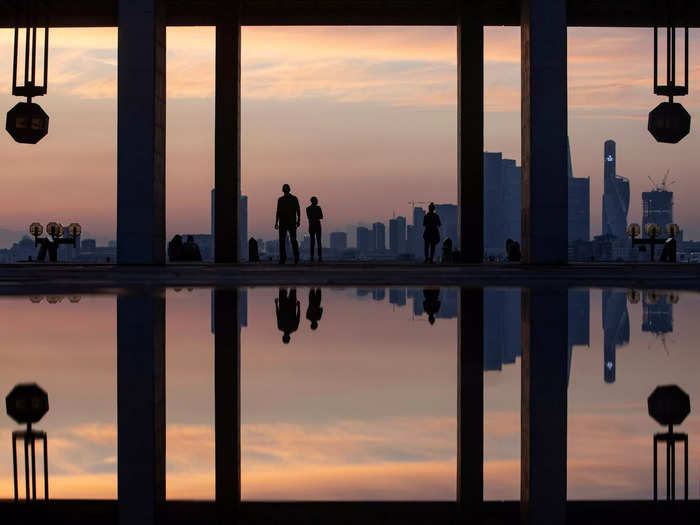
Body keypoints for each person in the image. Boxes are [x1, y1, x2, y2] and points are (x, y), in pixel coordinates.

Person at [275, 184, 301, 264]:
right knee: (292, 240)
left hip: (285, 222)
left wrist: (276, 222)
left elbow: (278, 212)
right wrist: (298, 220)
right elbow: (298, 210)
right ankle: (295, 257)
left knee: (283, 241)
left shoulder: (281, 199)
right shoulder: (293, 198)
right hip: (290, 222)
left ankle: (284, 258)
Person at [306, 196, 323, 262]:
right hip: (317, 225)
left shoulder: (308, 209)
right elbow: (321, 216)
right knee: (318, 242)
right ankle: (319, 257)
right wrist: (316, 216)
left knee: (313, 242)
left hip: (312, 225)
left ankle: (312, 257)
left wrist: (313, 217)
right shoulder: (318, 208)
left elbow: (309, 217)